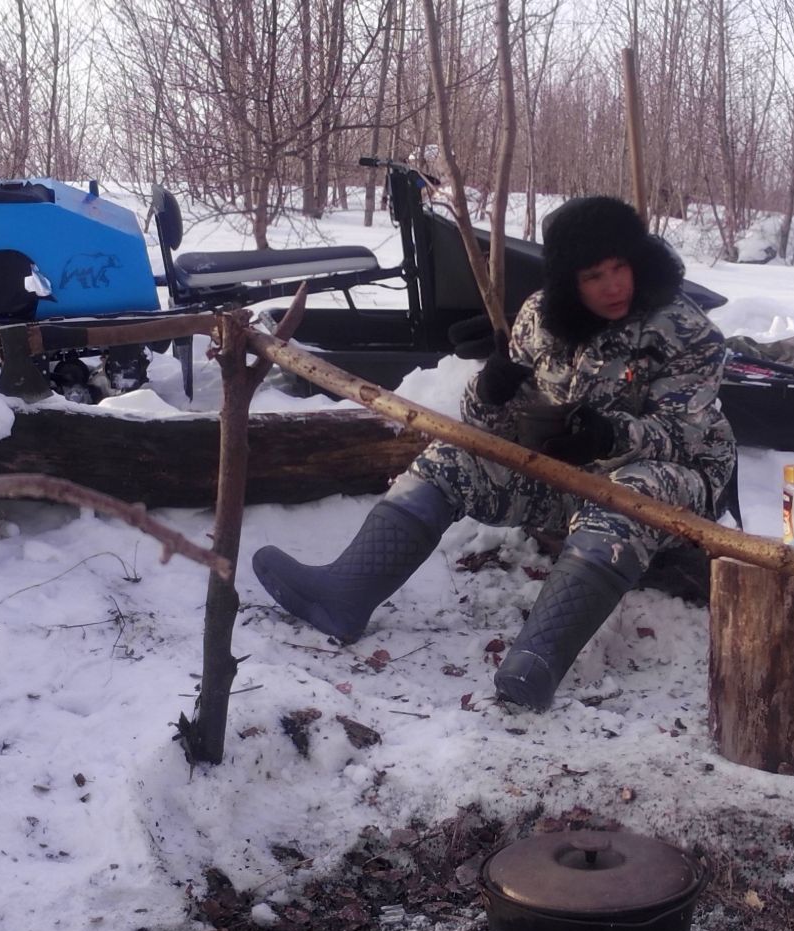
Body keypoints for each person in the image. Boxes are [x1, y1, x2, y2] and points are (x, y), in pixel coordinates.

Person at [252, 195, 736, 710]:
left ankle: (539, 661)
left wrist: (611, 437)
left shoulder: (688, 332)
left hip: (677, 482)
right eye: (594, 276)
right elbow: (486, 430)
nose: (614, 285)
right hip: (570, 474)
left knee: (627, 492)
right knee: (451, 458)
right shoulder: (539, 320)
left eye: (620, 267)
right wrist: (490, 391)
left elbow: (686, 433)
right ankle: (344, 594)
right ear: (570, 281)